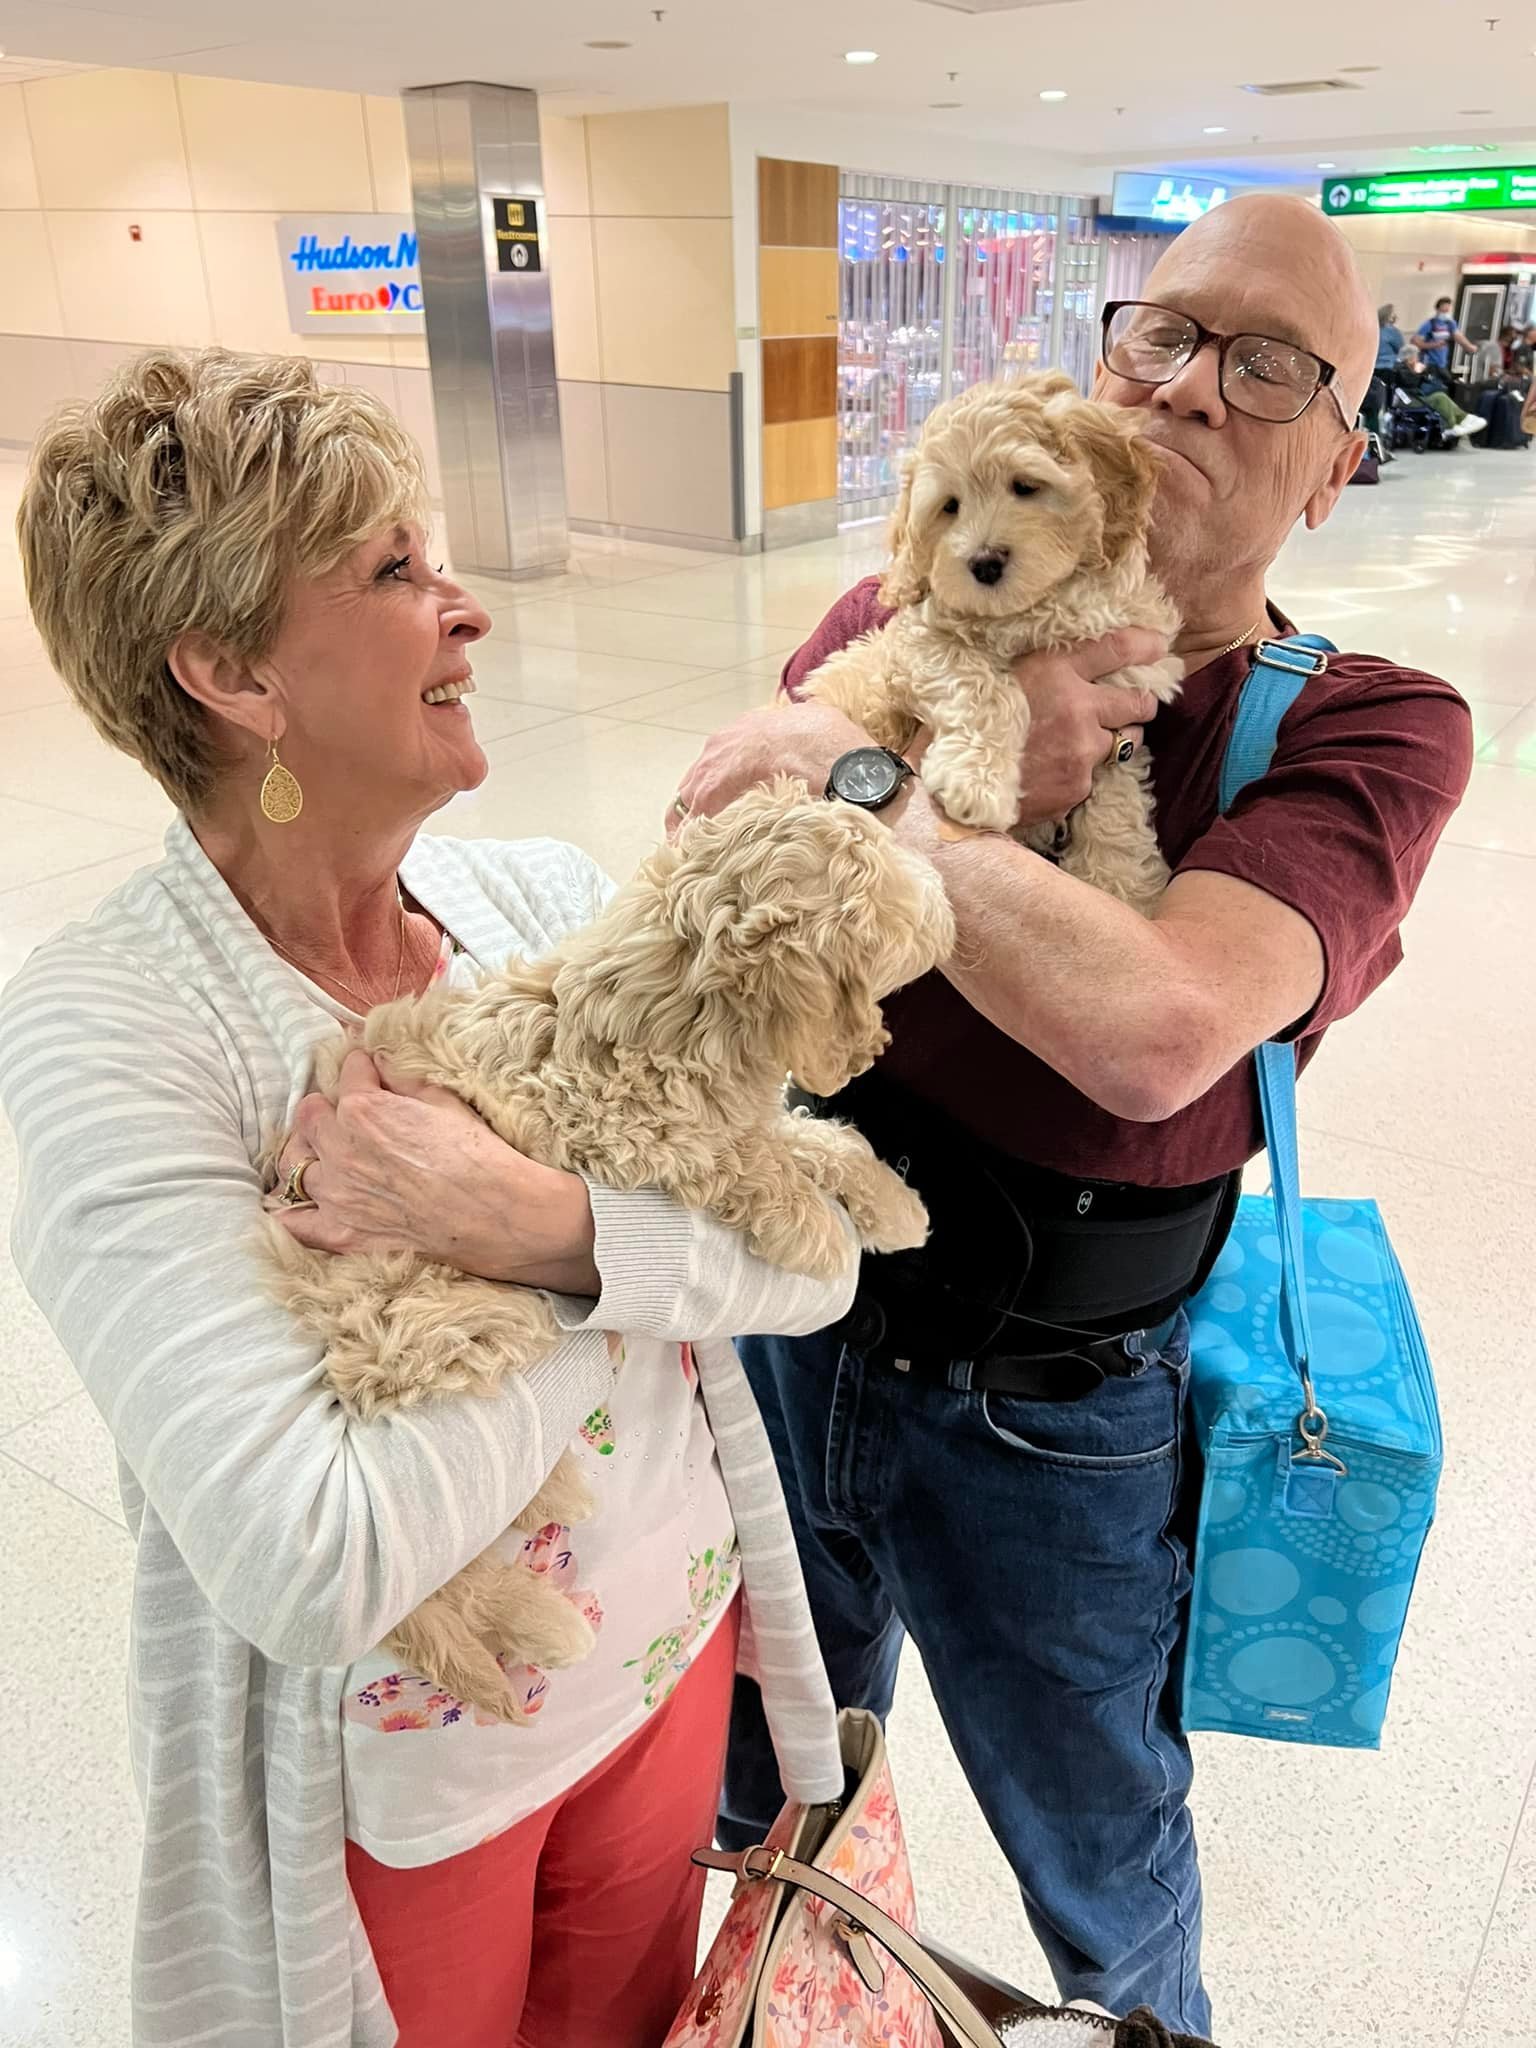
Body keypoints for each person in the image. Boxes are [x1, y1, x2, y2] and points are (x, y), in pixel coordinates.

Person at [667, 193, 1473, 2032]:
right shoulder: (904, 600)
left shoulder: (1363, 722)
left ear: (1338, 464)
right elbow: (709, 829)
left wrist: (876, 788)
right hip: (782, 1310)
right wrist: (867, 760)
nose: (1191, 390)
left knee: (1096, 1843)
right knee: (733, 1779)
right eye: (1162, 334)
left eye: (1267, 365)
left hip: (1056, 1410)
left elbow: (1154, 1029)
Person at [0, 348, 858, 2048]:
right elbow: (313, 1559)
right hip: (406, 1781)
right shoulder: (110, 1031)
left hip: (671, 1667)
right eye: (396, 571)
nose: (464, 608)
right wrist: (624, 1255)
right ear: (233, 670)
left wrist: (531, 1222)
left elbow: (816, 1256)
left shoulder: (533, 897)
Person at [1397, 341, 1486, 437]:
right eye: (1416, 356)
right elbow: (1409, 383)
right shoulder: (1400, 369)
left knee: (1441, 395)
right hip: (1410, 400)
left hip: (1417, 397)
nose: (1418, 359)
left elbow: (1425, 381)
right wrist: (1418, 373)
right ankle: (1450, 426)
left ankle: (1464, 418)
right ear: (1410, 358)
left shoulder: (1409, 368)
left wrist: (1424, 373)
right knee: (1440, 398)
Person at [1415, 293, 1473, 374]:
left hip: (1443, 362)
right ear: (1437, 309)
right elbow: (1416, 342)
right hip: (1430, 363)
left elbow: (1458, 336)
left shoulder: (1450, 323)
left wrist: (1469, 346)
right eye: (1443, 311)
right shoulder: (1429, 324)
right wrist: (1434, 345)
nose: (1445, 314)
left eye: (1447, 311)